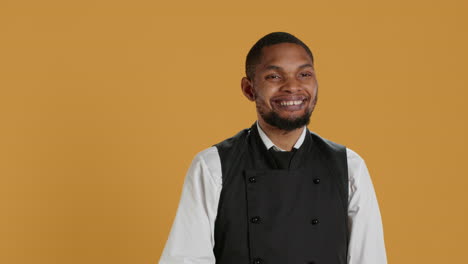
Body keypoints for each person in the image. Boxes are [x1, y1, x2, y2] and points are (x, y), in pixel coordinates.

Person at [159, 32, 387, 264]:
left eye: (304, 74)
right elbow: (186, 259)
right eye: (275, 76)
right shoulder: (212, 167)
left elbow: (369, 259)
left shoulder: (349, 167)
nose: (292, 87)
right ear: (249, 89)